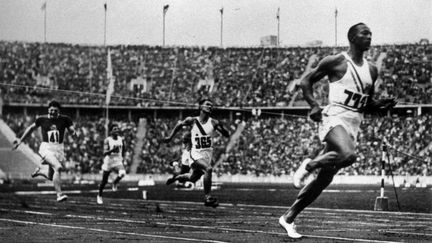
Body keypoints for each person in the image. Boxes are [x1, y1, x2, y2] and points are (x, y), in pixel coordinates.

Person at [279, 23, 396, 238]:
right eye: (365, 33)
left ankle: (288, 218)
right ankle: (310, 164)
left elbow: (364, 103)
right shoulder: (336, 61)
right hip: (333, 117)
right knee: (348, 155)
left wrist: (378, 105)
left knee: (323, 180)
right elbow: (306, 81)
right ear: (352, 38)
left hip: (353, 124)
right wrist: (313, 104)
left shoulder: (372, 70)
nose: (369, 37)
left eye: (371, 33)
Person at [163, 99, 230, 208]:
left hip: (207, 155)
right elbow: (179, 124)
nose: (210, 106)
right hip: (195, 154)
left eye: (211, 105)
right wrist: (170, 137)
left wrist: (222, 126)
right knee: (208, 169)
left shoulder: (214, 122)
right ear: (200, 107)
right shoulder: (192, 120)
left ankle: (176, 178)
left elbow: (226, 134)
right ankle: (208, 197)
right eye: (207, 104)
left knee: (192, 178)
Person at [13, 100, 76, 202]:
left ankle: (40, 171)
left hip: (59, 148)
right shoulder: (42, 119)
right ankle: (59, 194)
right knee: (58, 168)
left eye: (55, 111)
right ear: (48, 110)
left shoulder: (65, 119)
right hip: (46, 147)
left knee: (51, 177)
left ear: (58, 111)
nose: (52, 113)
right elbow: (31, 128)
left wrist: (74, 133)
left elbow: (72, 130)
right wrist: (20, 140)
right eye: (51, 110)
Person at [97, 123, 126, 205]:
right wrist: (112, 150)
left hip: (117, 161)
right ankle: (99, 195)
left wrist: (122, 157)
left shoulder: (121, 139)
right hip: (109, 162)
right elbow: (104, 153)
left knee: (122, 173)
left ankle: (115, 182)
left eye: (117, 129)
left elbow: (124, 149)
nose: (116, 131)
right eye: (114, 129)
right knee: (104, 181)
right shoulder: (107, 140)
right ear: (111, 131)